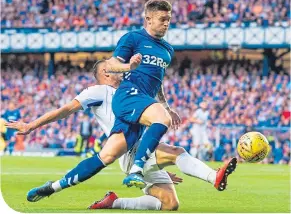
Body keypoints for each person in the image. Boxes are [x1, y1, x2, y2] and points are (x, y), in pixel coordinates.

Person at [6, 60, 237, 210]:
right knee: (178, 152)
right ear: (104, 74)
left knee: (170, 204)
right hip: (128, 148)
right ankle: (212, 176)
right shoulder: (99, 91)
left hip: (142, 148)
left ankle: (115, 202)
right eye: (111, 66)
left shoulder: (132, 91)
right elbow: (64, 110)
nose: (118, 67)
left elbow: (156, 86)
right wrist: (31, 125)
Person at [105, 0, 181, 188]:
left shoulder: (167, 49)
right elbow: (111, 65)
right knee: (161, 120)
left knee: (107, 156)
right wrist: (128, 66)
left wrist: (166, 106)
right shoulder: (133, 38)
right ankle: (136, 169)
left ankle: (55, 186)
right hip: (130, 96)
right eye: (162, 19)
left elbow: (158, 80)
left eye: (169, 19)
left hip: (147, 101)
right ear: (148, 18)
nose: (166, 23)